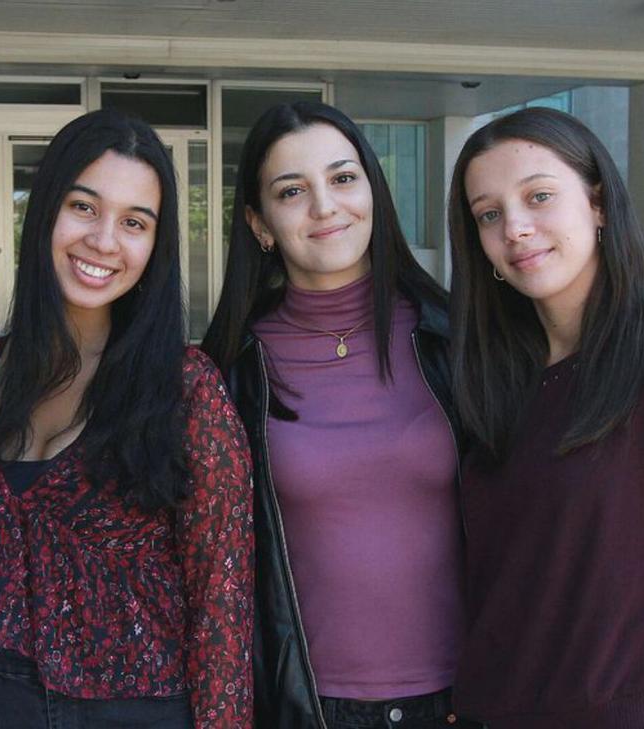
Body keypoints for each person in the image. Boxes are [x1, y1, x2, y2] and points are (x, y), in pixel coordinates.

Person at [0, 108, 254, 729]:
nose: (104, 240)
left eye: (134, 222)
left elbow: (222, 598)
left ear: (156, 246)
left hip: (142, 710)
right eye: (84, 207)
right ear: (44, 210)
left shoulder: (186, 388)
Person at [447, 107, 644, 729]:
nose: (517, 228)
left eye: (540, 196)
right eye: (489, 214)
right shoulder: (495, 385)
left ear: (599, 205)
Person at [202, 100, 475, 729]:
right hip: (304, 705)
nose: (325, 206)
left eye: (343, 178)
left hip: (462, 699)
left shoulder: (455, 340)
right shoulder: (229, 372)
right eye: (292, 191)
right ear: (260, 223)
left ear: (374, 193)